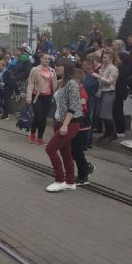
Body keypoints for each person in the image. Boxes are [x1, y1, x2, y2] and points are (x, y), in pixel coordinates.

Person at [44, 59, 82, 192]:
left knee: (50, 149)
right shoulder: (62, 83)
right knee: (65, 152)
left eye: (59, 66)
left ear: (66, 68)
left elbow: (74, 106)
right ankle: (70, 182)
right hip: (59, 121)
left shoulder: (72, 84)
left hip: (69, 123)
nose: (56, 68)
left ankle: (59, 180)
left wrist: (65, 125)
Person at [26, 53, 57, 145]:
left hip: (48, 96)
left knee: (44, 118)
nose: (47, 60)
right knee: (38, 116)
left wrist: (55, 95)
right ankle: (32, 133)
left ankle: (40, 137)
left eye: (48, 59)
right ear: (41, 59)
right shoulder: (35, 70)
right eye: (45, 58)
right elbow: (30, 83)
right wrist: (28, 97)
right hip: (37, 96)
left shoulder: (52, 71)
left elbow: (54, 83)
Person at [72, 68, 94, 186]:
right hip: (75, 125)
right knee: (74, 151)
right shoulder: (75, 91)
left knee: (77, 151)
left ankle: (83, 175)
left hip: (81, 127)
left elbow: (81, 110)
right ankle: (86, 166)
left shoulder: (82, 93)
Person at [94, 51, 119, 143]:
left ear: (111, 58)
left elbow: (110, 81)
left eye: (106, 58)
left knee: (107, 114)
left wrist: (98, 76)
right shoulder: (103, 67)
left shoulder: (113, 69)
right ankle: (107, 132)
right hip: (102, 92)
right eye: (103, 57)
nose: (104, 59)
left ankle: (113, 133)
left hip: (109, 92)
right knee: (102, 114)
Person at [114, 51, 132, 137]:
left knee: (117, 110)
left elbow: (117, 78)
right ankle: (119, 129)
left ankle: (121, 130)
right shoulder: (123, 67)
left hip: (119, 91)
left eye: (117, 58)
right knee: (117, 109)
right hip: (120, 90)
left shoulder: (123, 68)